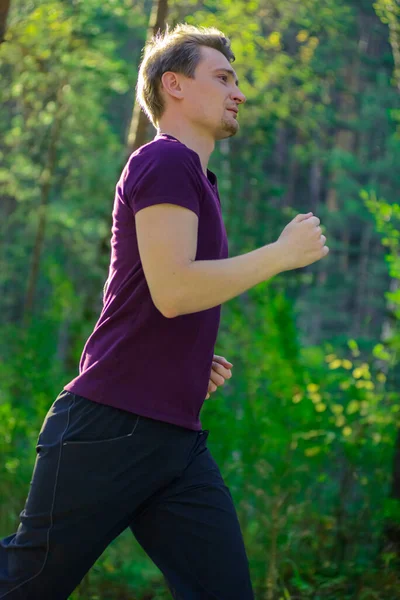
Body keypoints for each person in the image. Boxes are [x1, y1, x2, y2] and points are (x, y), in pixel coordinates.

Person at [0, 23, 329, 600]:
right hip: (109, 427)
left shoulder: (196, 177)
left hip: (173, 438)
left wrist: (182, 361)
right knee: (26, 583)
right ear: (173, 85)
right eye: (222, 77)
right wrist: (279, 255)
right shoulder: (165, 161)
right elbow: (174, 290)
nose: (239, 92)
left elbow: (161, 298)